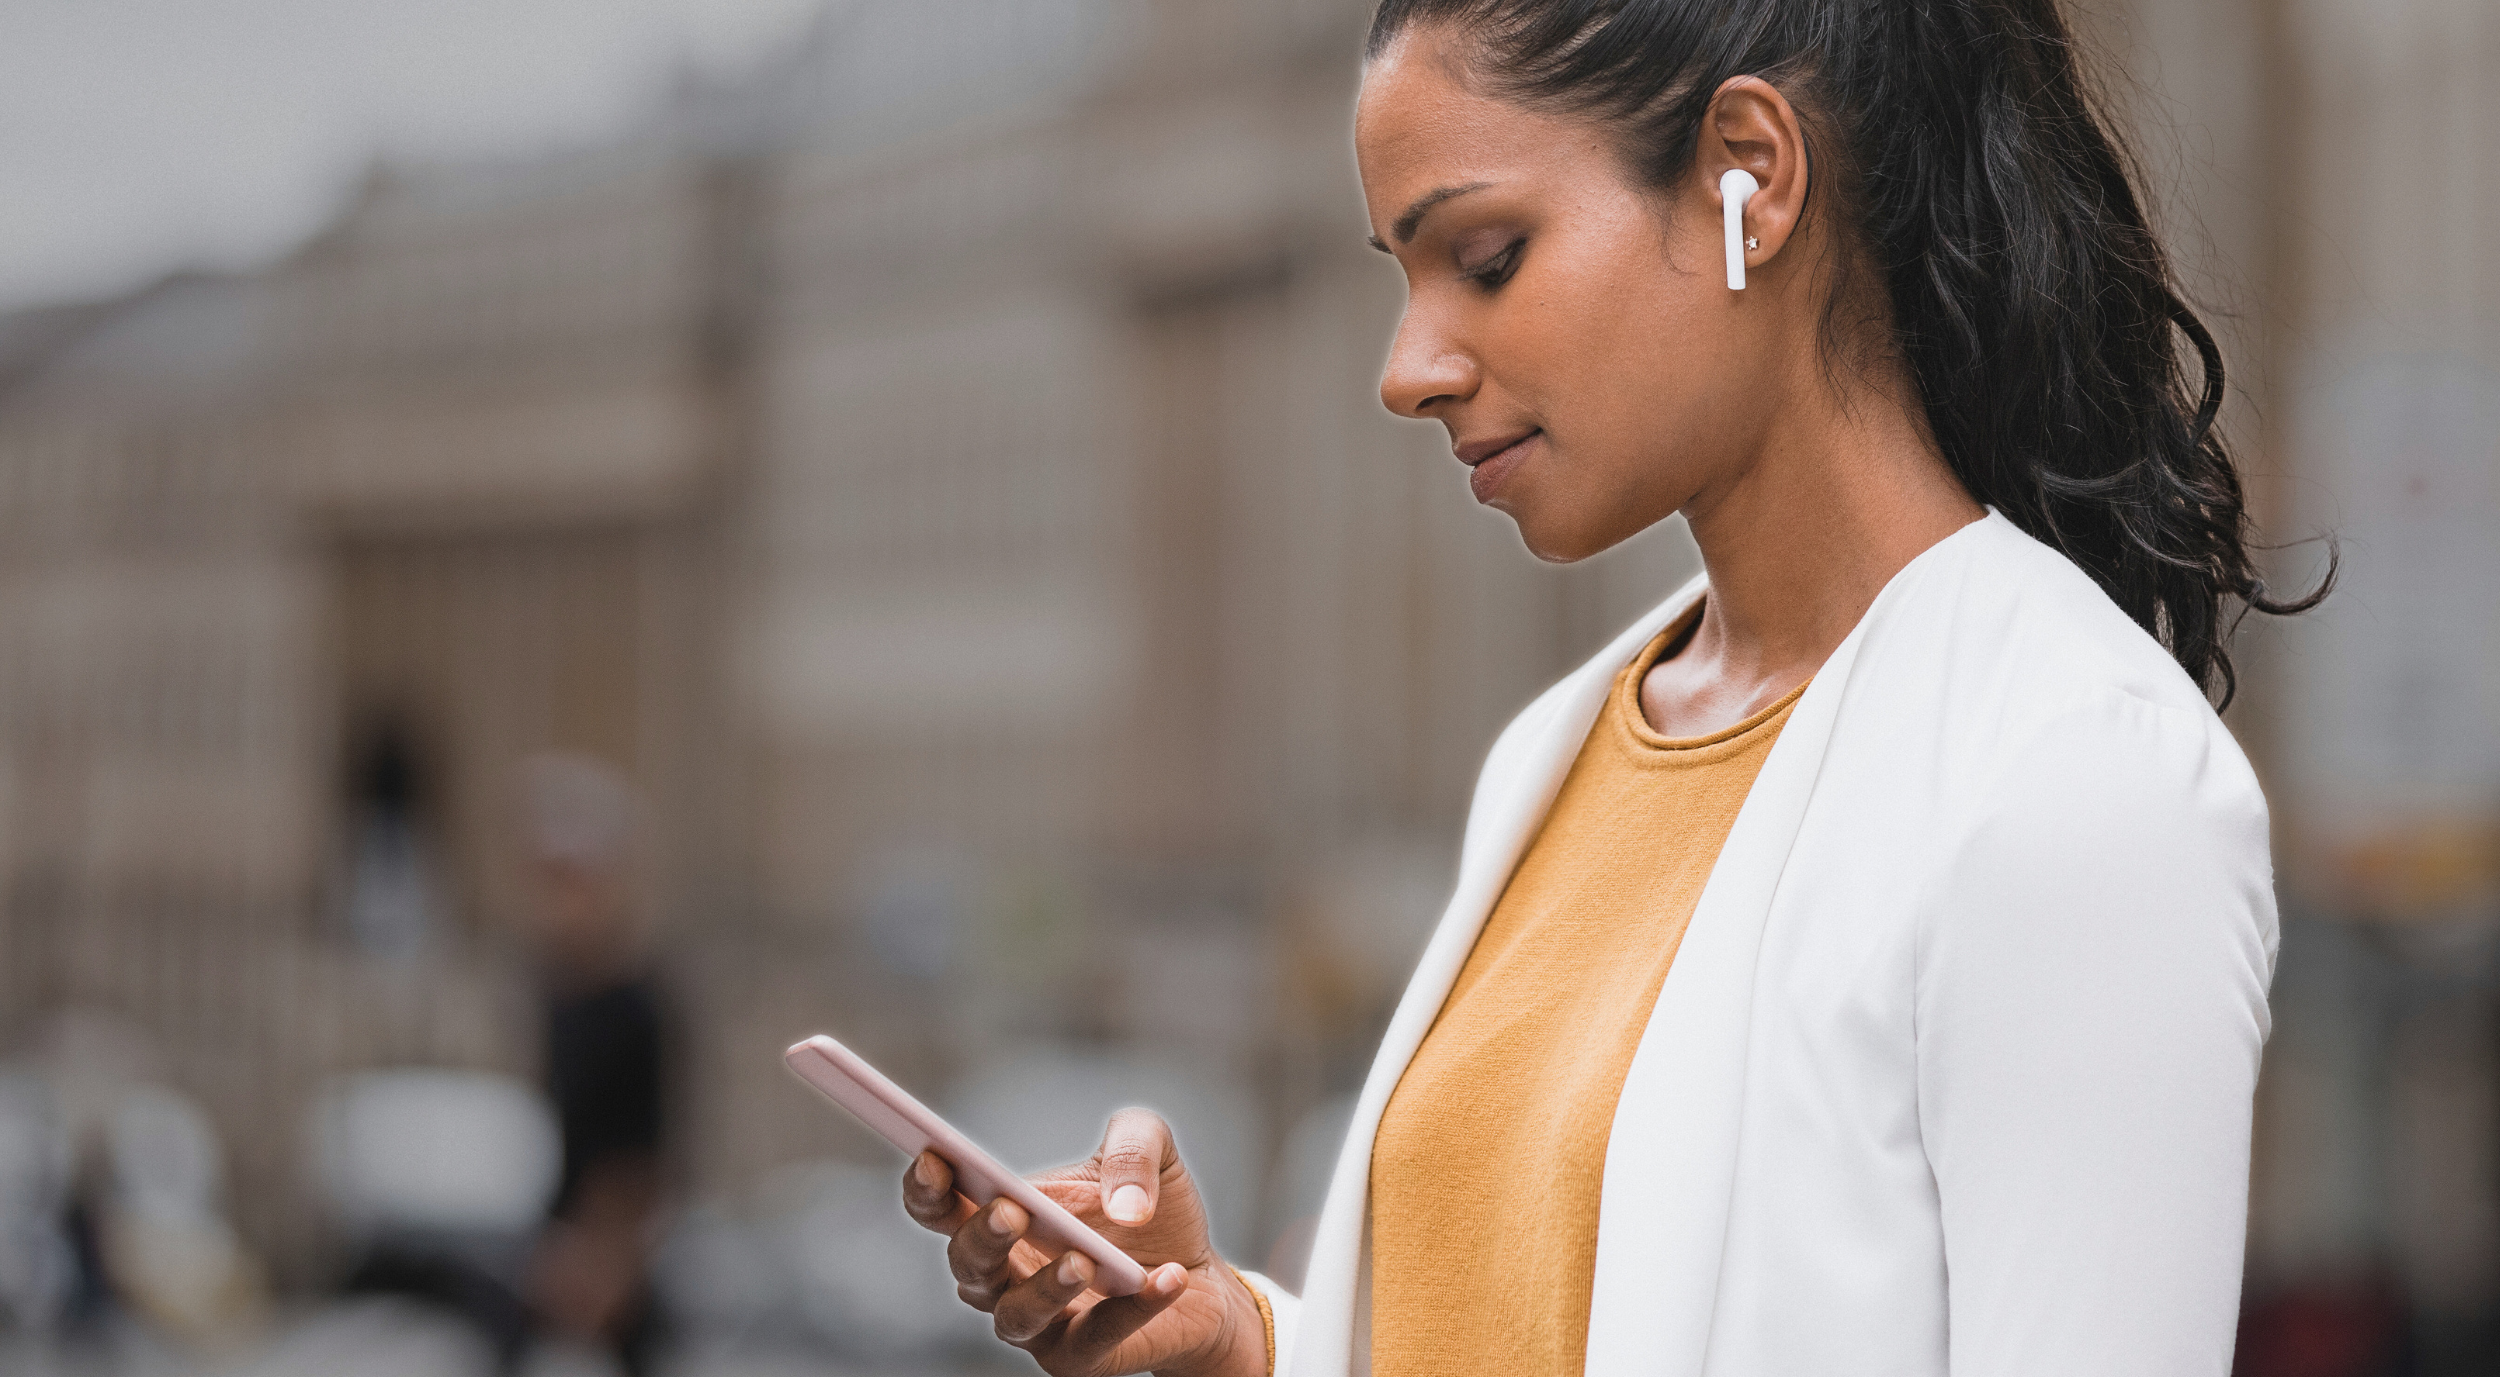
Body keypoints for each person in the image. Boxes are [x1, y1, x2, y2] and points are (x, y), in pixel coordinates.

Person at [901, 2, 2330, 1374]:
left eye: (1486, 257)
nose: (1408, 370)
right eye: (1403, 276)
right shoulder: (1564, 745)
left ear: (1748, 177)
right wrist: (1242, 1343)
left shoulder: (2067, 774)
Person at [519, 753, 671, 1377]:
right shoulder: (555, 994)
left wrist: (606, 1259)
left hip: (613, 1262)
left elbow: (642, 1152)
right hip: (561, 1244)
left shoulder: (636, 1005)